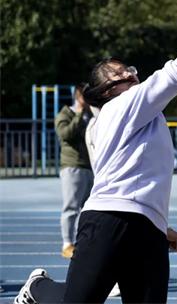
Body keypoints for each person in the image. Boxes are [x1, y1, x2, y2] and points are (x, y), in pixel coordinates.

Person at [14, 6, 177, 304]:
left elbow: (129, 177)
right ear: (105, 90)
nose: (129, 72)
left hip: (145, 228)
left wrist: (158, 224)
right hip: (107, 221)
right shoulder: (122, 105)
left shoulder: (141, 115)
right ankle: (37, 287)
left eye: (128, 68)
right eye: (118, 73)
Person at [54, 84, 94, 259]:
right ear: (79, 97)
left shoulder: (91, 114)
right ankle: (67, 243)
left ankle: (85, 241)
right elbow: (65, 134)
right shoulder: (65, 114)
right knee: (71, 207)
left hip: (89, 166)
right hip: (72, 166)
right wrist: (78, 114)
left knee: (90, 208)